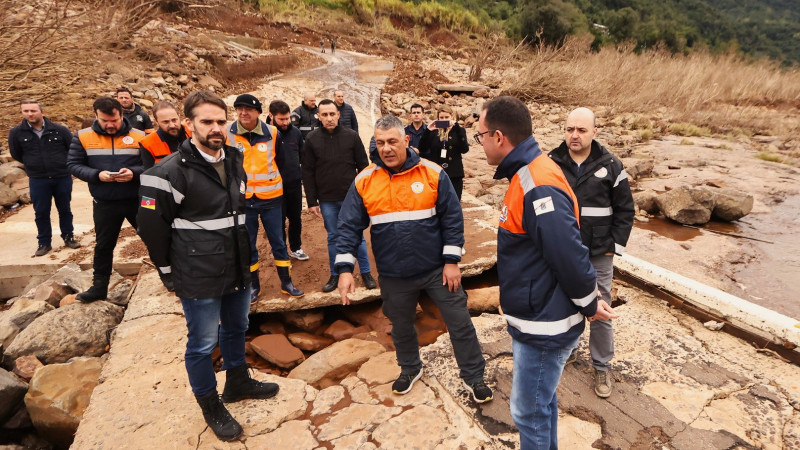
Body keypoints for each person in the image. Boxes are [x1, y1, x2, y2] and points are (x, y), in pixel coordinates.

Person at [475, 96, 618, 449]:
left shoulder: (536, 183)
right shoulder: (532, 172)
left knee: (528, 411)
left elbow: (567, 252)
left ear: (498, 137)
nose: (478, 143)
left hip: (544, 324)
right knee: (543, 401)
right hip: (540, 313)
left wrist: (590, 300)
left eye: (479, 135)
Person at [137, 90, 279, 442]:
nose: (216, 128)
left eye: (220, 121)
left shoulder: (233, 158)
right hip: (197, 272)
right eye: (207, 122)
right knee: (202, 343)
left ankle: (238, 380)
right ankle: (210, 404)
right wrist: (168, 273)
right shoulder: (166, 173)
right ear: (189, 125)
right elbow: (152, 229)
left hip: (237, 265)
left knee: (236, 327)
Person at [336, 114, 492, 403]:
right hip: (395, 274)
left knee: (459, 321)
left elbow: (452, 219)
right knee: (402, 325)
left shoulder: (432, 173)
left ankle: (474, 376)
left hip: (436, 269)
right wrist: (345, 269)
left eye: (392, 141)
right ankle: (410, 368)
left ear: (406, 140)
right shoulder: (365, 181)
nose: (386, 149)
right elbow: (347, 227)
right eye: (380, 143)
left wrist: (451, 261)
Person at [548, 107, 635, 398]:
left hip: (598, 253)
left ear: (595, 132)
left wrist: (612, 249)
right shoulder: (551, 162)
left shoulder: (611, 165)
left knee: (600, 309)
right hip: (563, 252)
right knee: (565, 304)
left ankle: (601, 365)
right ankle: (569, 350)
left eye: (581, 130)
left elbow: (625, 211)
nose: (574, 135)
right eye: (570, 129)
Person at [67, 97, 145, 302]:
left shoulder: (138, 135)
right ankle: (99, 287)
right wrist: (96, 175)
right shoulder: (83, 136)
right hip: (104, 202)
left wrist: (134, 173)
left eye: (115, 120)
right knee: (103, 245)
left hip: (135, 199)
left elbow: (150, 165)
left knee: (154, 238)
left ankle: (170, 275)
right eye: (105, 121)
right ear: (96, 116)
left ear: (121, 115)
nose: (110, 125)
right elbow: (73, 164)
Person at [229, 94, 303, 301]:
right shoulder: (228, 133)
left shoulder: (272, 133)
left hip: (271, 198)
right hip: (244, 200)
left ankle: (287, 283)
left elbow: (281, 162)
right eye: (239, 109)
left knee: (278, 242)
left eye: (248, 109)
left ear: (258, 112)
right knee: (249, 244)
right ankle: (254, 287)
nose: (243, 113)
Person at [302, 99, 376, 292]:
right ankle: (336, 275)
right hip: (327, 199)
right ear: (318, 116)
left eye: (332, 114)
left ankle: (365, 272)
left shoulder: (351, 136)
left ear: (338, 115)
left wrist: (365, 194)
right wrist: (312, 201)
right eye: (324, 115)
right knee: (333, 237)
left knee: (356, 235)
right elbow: (308, 172)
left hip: (352, 198)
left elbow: (363, 167)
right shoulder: (311, 139)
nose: (328, 118)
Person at [8, 99, 80, 256]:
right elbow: (16, 154)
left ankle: (69, 237)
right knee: (41, 212)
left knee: (65, 209)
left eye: (33, 110)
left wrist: (64, 165)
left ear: (42, 112)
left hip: (61, 176)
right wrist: (32, 164)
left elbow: (72, 149)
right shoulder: (17, 133)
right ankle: (44, 243)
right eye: (26, 111)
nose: (29, 114)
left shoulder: (60, 130)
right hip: (38, 179)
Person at [269, 100, 308, 261]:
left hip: (294, 185)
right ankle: (281, 252)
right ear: (271, 116)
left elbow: (302, 156)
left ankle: (296, 248)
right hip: (273, 187)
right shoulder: (266, 134)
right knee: (278, 221)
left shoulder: (296, 133)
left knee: (295, 218)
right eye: (281, 119)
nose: (285, 123)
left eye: (287, 119)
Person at [418, 105, 469, 200]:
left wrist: (457, 128)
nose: (444, 120)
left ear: (451, 117)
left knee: (454, 201)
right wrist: (427, 131)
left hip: (455, 173)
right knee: (437, 201)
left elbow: (465, 149)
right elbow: (422, 148)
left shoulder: (459, 130)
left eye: (446, 117)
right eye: (441, 118)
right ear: (437, 118)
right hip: (436, 172)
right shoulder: (433, 131)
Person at [138, 101, 189, 170]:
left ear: (179, 116)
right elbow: (149, 174)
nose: (172, 125)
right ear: (156, 122)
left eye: (174, 120)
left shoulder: (194, 131)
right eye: (166, 122)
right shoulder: (147, 144)